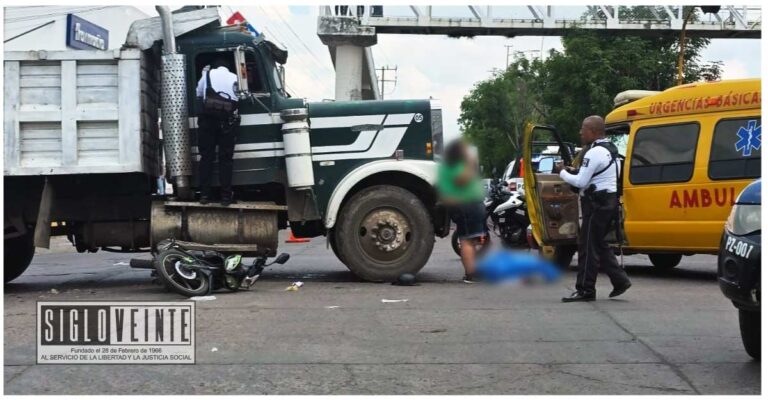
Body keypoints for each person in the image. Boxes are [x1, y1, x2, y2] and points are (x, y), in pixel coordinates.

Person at [555, 115, 631, 302]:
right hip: (608, 202)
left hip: (596, 205)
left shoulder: (593, 152)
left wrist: (562, 172)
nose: (580, 132)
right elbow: (593, 176)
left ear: (594, 131)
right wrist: (574, 172)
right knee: (598, 244)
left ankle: (585, 290)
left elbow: (581, 181)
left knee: (587, 248)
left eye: (584, 128)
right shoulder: (610, 150)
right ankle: (620, 281)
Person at [437, 139, 486, 283]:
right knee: (467, 240)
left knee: (469, 240)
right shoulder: (457, 166)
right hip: (465, 204)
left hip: (463, 204)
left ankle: (473, 271)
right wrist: (470, 161)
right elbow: (462, 179)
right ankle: (471, 274)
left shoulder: (447, 166)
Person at [195, 58, 240, 206]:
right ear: (228, 68)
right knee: (225, 160)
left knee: (206, 157)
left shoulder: (207, 75)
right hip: (227, 122)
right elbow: (238, 97)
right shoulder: (235, 77)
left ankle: (204, 196)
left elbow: (199, 93)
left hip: (207, 121)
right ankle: (226, 197)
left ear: (214, 66)